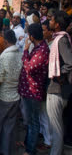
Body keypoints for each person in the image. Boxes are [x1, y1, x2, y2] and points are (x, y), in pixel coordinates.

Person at [18, 23, 50, 155]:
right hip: (28, 90)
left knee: (33, 122)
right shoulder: (38, 47)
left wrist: (25, 50)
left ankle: (30, 150)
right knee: (29, 120)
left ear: (32, 36)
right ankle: (27, 143)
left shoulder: (42, 50)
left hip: (33, 91)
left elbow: (30, 67)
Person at [0, 30, 22, 155]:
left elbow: (0, 79)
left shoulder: (4, 56)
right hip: (15, 96)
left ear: (6, 41)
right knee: (9, 127)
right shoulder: (19, 54)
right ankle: (6, 151)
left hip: (4, 96)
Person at [47, 11, 72, 155]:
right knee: (57, 125)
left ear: (56, 25)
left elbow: (69, 62)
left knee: (56, 127)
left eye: (51, 20)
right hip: (58, 87)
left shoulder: (61, 40)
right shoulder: (59, 38)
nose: (49, 22)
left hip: (57, 88)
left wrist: (59, 73)